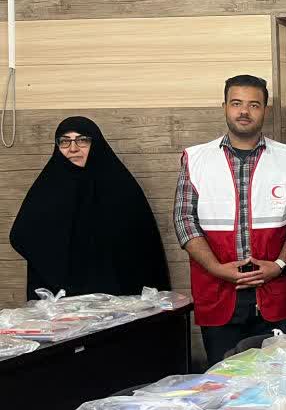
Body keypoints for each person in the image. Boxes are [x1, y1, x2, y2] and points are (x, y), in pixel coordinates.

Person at [174, 75, 286, 365]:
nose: (244, 111)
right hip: (218, 292)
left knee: (283, 376)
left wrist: (279, 265)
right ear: (224, 107)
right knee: (224, 378)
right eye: (236, 103)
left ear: (265, 110)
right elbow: (184, 220)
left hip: (275, 293)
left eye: (254, 105)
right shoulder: (196, 159)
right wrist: (216, 268)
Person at [10, 117, 169, 300]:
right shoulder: (48, 187)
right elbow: (21, 235)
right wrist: (60, 274)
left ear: (96, 144)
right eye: (65, 141)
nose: (73, 148)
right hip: (62, 299)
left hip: (116, 296)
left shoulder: (120, 186)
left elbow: (142, 244)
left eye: (82, 140)